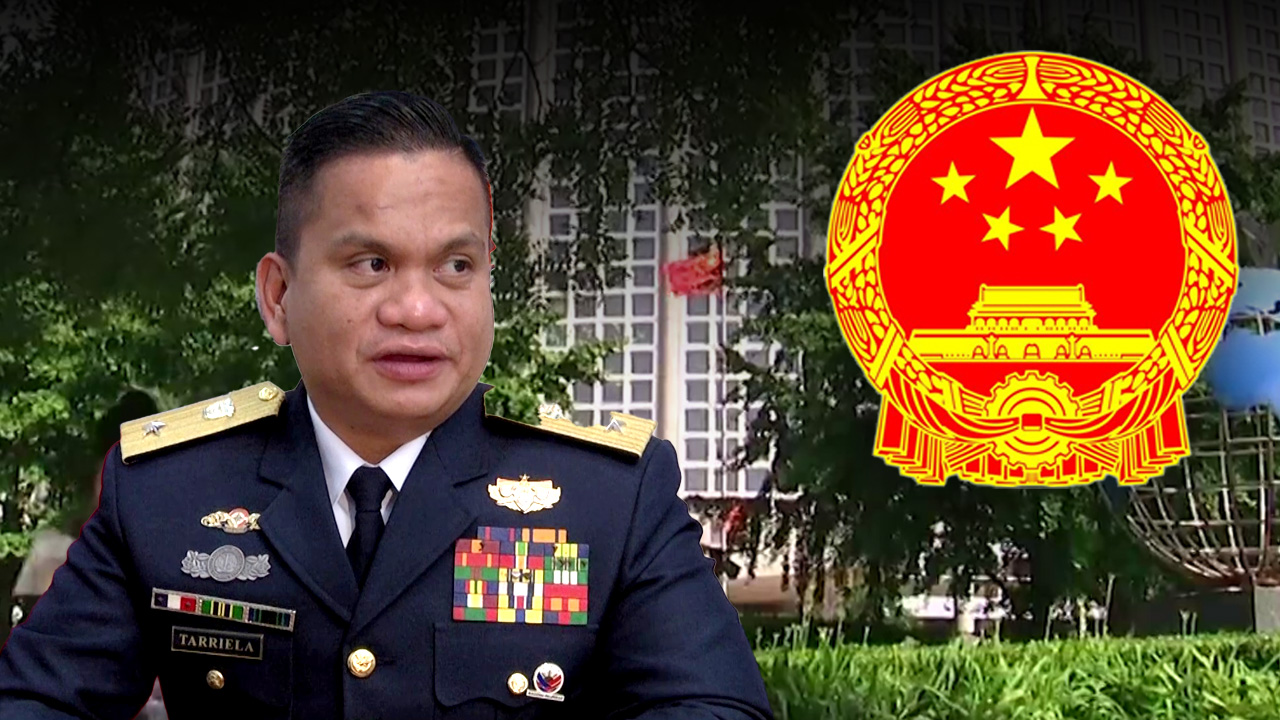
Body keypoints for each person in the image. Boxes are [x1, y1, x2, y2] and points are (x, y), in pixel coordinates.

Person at [0, 91, 774, 719]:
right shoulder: (167, 493)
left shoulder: (609, 498)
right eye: (371, 263)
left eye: (456, 266)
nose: (418, 309)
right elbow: (37, 701)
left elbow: (713, 707)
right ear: (278, 296)